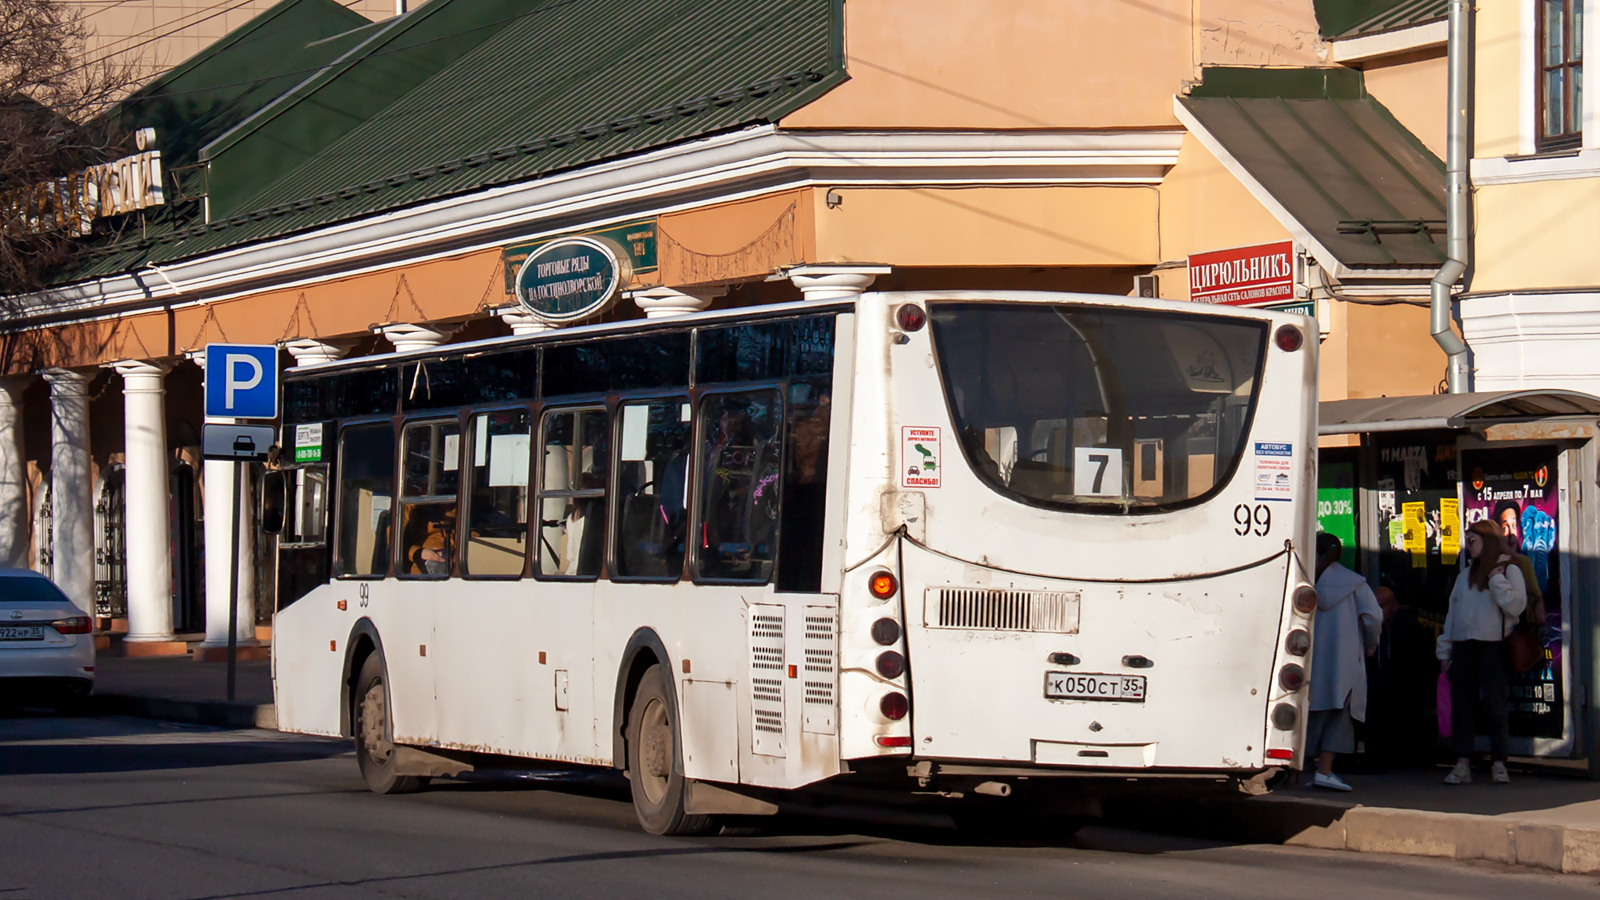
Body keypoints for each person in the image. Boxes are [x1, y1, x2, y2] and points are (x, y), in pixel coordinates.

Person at [1438, 520, 1528, 785]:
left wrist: (1495, 578)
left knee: (1496, 706)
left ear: (1487, 541)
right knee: (1463, 706)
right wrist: (1445, 652)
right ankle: (1462, 763)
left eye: (1473, 540)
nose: (1469, 545)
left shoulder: (1508, 569)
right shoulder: (1463, 576)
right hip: (1465, 647)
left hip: (1493, 646)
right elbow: (1452, 617)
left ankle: (1499, 763)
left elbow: (1516, 606)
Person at [1307, 532, 1383, 791]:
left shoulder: (1306, 582)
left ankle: (1298, 772)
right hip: (1345, 660)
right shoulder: (1355, 583)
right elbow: (1374, 617)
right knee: (1339, 715)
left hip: (1312, 660)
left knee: (1312, 715)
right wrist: (1370, 645)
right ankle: (1325, 771)